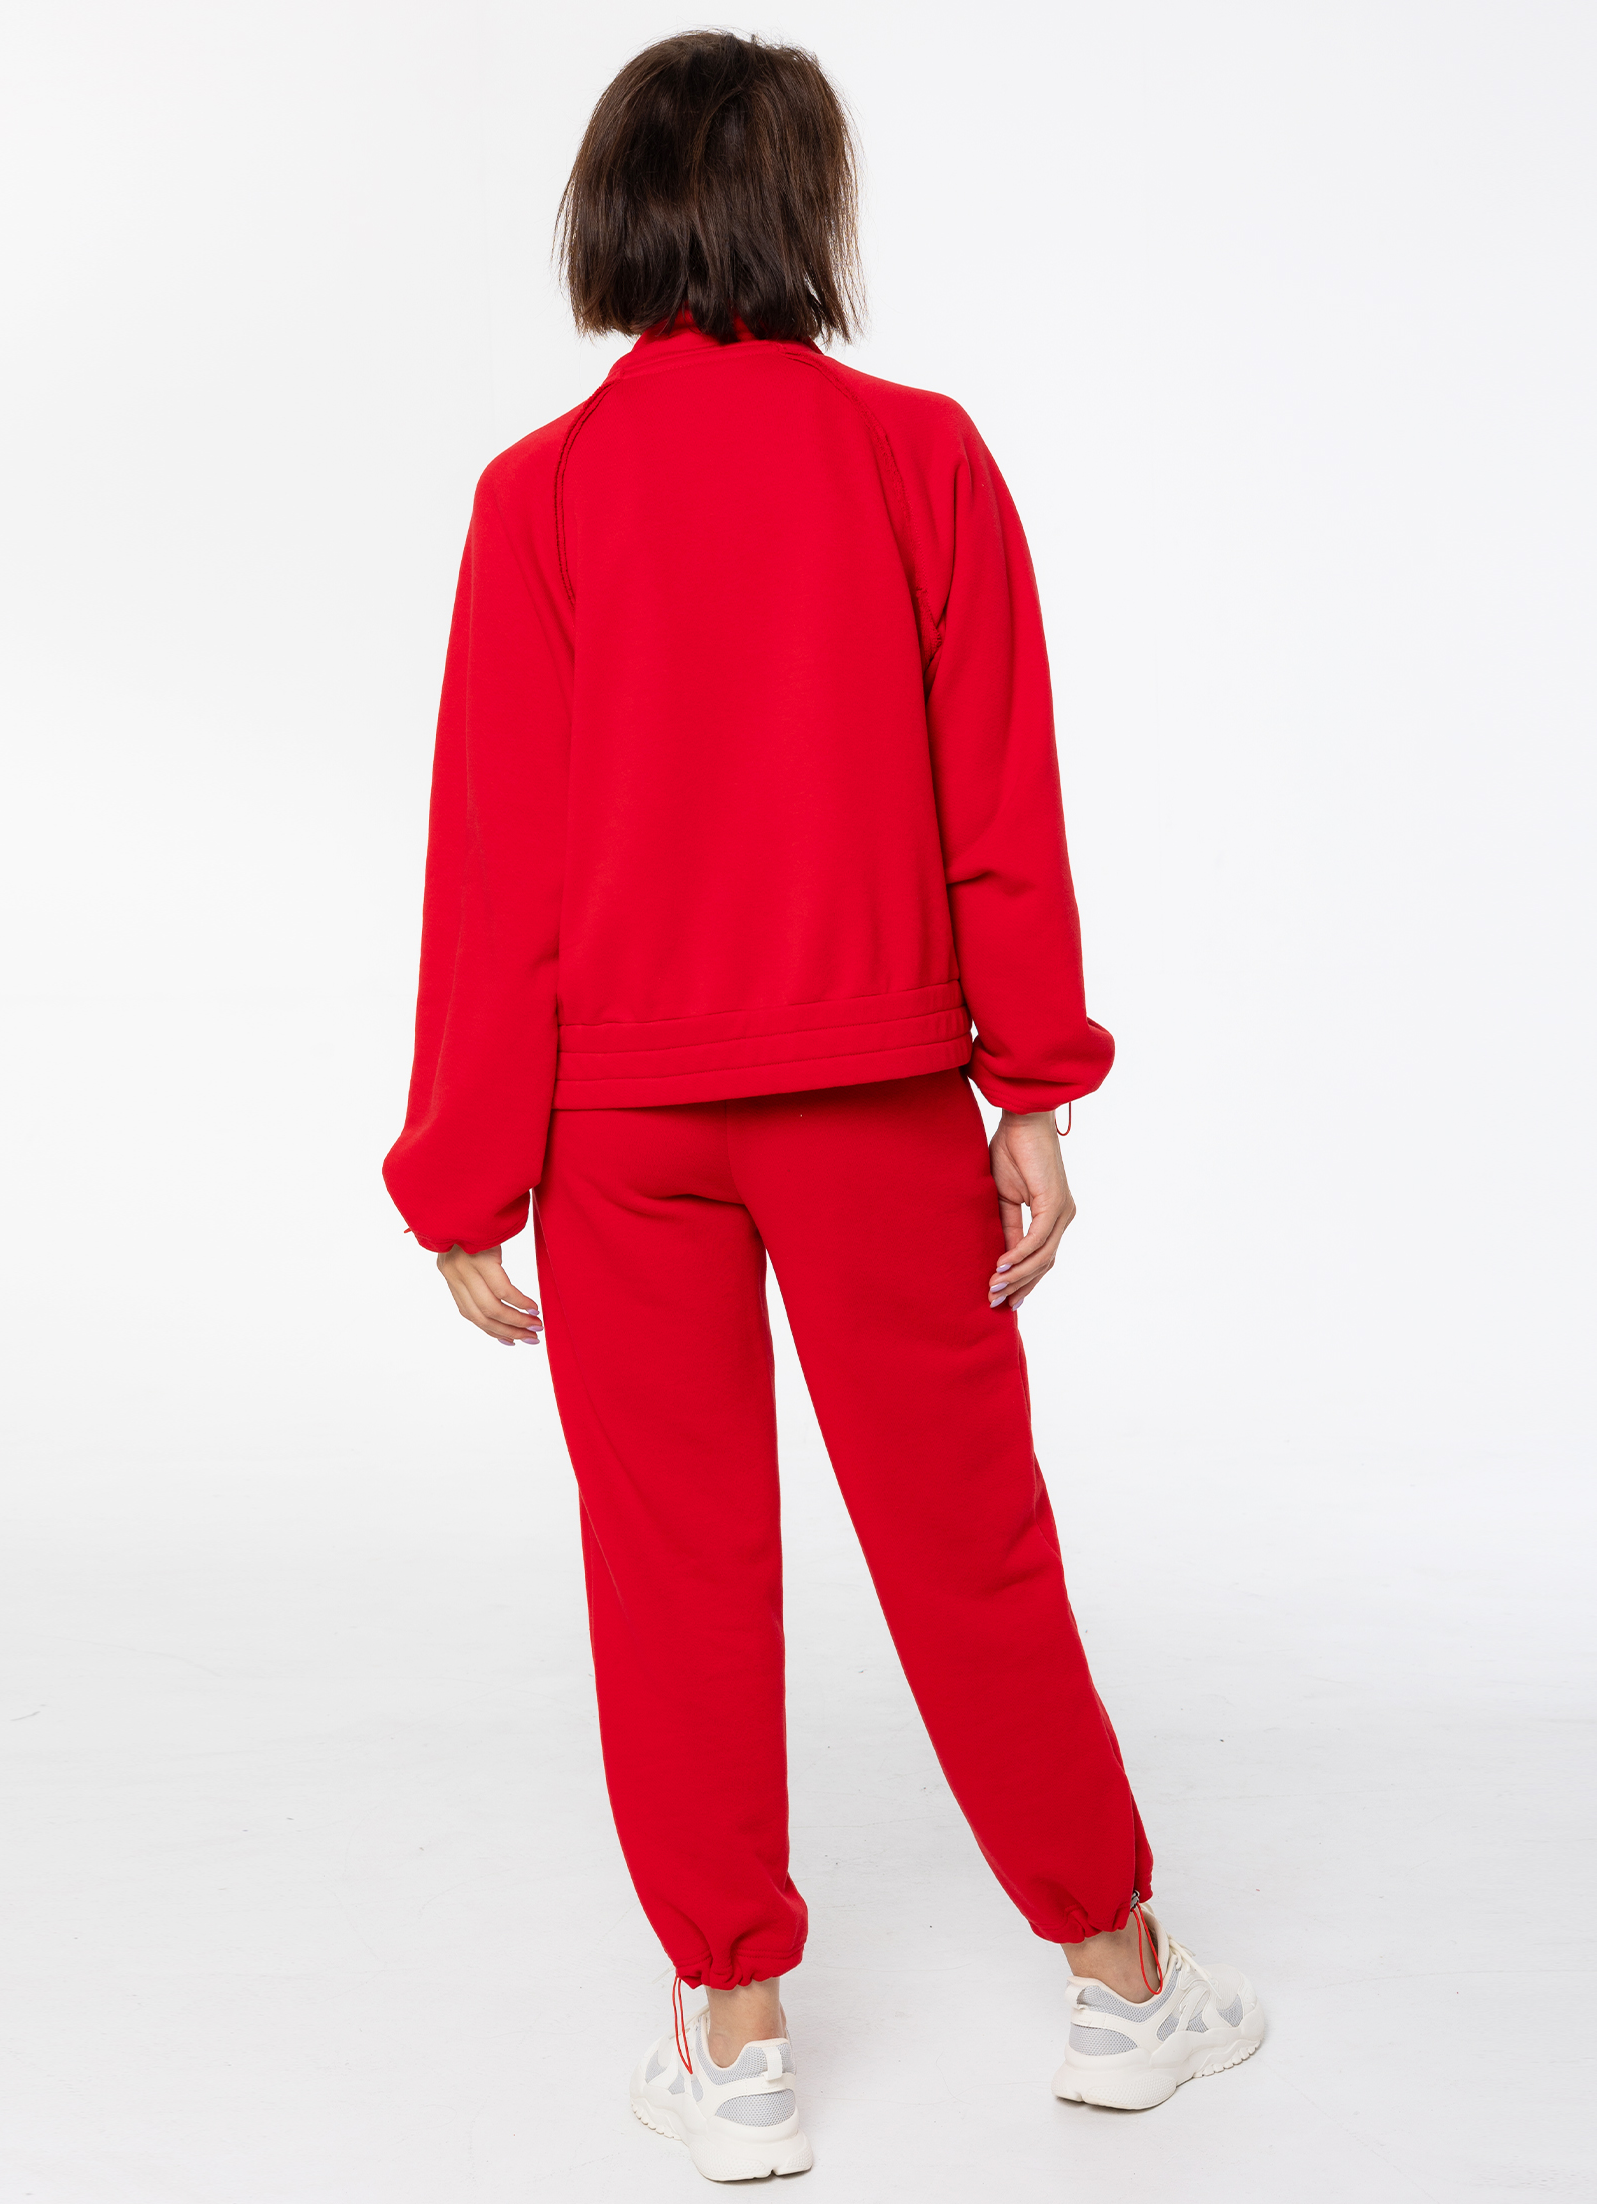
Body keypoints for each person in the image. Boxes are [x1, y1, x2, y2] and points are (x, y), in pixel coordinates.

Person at [383, 29, 1262, 2181]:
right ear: (809, 214)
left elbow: (496, 863)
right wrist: (1031, 1086)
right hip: (873, 1104)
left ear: (611, 214)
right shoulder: (918, 460)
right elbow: (998, 804)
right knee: (971, 1546)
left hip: (621, 1133)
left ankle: (737, 2036)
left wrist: (463, 1169)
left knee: (671, 1567)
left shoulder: (539, 496)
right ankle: (1121, 1981)